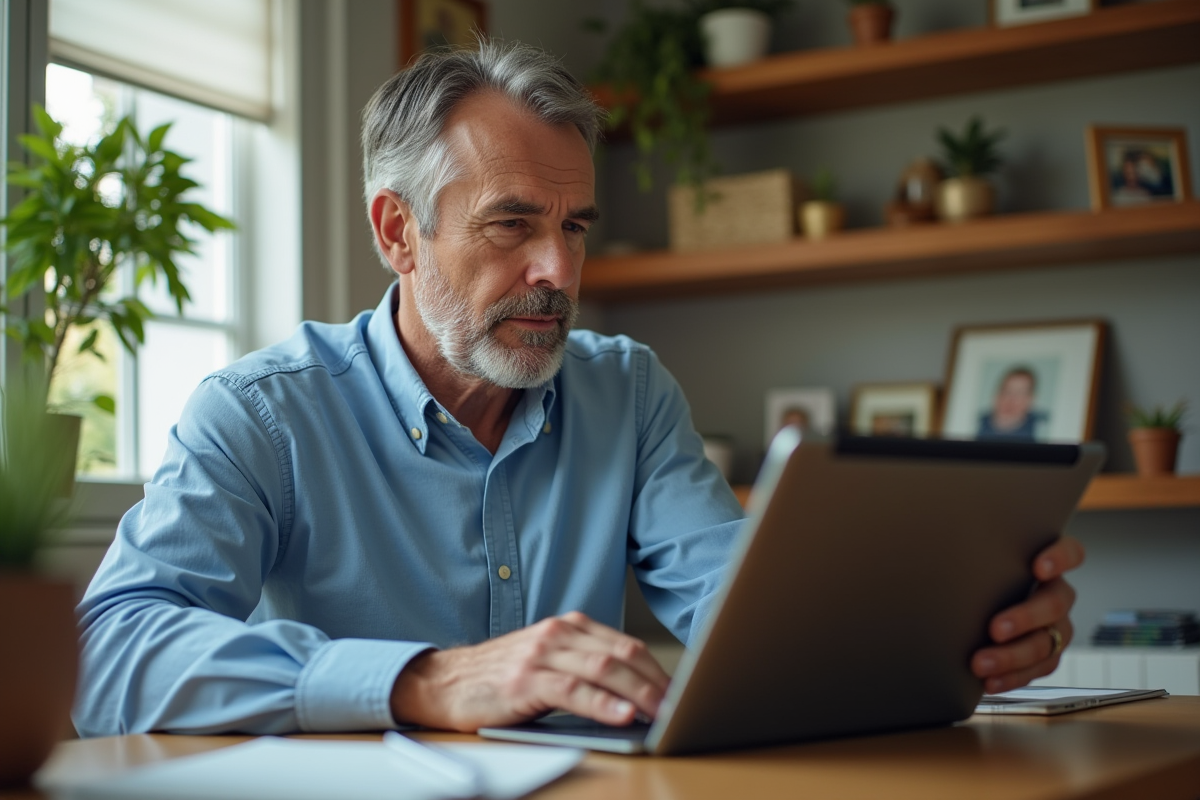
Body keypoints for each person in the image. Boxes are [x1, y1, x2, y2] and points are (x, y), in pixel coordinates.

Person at [73, 40, 1084, 738]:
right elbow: (109, 651)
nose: (559, 270)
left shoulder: (627, 389)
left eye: (578, 226)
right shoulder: (262, 411)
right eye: (513, 224)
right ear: (396, 232)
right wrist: (429, 677)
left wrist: (950, 632)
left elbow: (742, 608)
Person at [978, 366, 1046, 441]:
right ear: (997, 395)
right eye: (1007, 391)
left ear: (1030, 400)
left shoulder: (1040, 428)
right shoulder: (980, 422)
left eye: (1019, 393)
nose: (1011, 399)